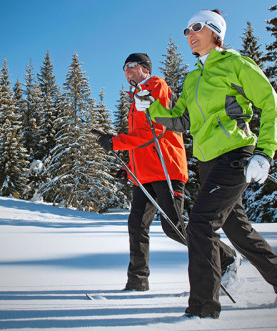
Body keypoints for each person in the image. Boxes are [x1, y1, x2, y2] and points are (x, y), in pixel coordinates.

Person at [137, 10, 277, 318]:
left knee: (201, 225)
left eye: (196, 27)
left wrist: (264, 153)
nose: (189, 33)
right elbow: (180, 120)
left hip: (235, 154)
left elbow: (271, 105)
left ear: (215, 32)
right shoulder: (192, 78)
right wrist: (151, 107)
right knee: (237, 229)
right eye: (186, 29)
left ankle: (203, 309)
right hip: (207, 162)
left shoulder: (234, 64)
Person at [95, 53, 239, 292]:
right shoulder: (135, 98)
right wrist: (128, 170)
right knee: (137, 225)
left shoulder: (156, 86)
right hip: (143, 175)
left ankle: (226, 257)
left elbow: (158, 130)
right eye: (124, 67)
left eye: (132, 65)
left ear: (145, 68)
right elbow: (142, 141)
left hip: (166, 169)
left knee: (174, 227)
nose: (127, 70)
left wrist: (115, 142)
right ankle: (137, 282)